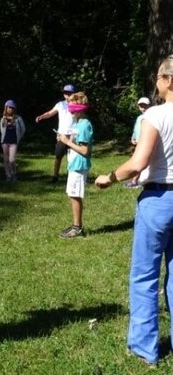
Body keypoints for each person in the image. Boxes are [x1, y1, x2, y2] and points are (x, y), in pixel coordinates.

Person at [94, 55, 173, 367]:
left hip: (157, 201)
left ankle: (144, 347)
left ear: (169, 80)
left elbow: (137, 163)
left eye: (158, 76)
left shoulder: (155, 115)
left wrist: (109, 177)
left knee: (144, 276)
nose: (155, 82)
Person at [58, 92, 93, 238]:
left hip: (79, 165)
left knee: (75, 195)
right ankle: (75, 225)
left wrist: (67, 142)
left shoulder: (85, 125)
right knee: (72, 194)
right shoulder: (79, 124)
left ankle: (77, 227)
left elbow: (85, 150)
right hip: (74, 164)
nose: (70, 111)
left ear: (79, 109)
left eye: (72, 109)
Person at [35, 84, 76, 182]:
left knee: (73, 157)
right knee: (58, 155)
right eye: (66, 92)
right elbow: (50, 113)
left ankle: (72, 176)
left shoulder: (76, 104)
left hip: (73, 135)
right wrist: (41, 116)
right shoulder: (60, 104)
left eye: (70, 93)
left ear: (73, 94)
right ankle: (55, 176)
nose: (67, 95)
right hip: (62, 135)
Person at [124, 96, 152, 188]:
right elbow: (136, 129)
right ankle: (136, 179)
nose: (143, 108)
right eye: (141, 106)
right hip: (137, 142)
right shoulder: (139, 118)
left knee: (140, 161)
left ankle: (135, 181)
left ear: (149, 106)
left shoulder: (151, 118)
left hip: (145, 143)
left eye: (145, 106)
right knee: (136, 160)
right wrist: (133, 137)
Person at [0, 99, 26, 182]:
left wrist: (19, 137)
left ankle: (14, 174)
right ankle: (8, 175)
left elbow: (23, 129)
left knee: (12, 159)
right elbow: (1, 129)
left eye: (12, 108)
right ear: (6, 108)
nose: (10, 109)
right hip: (5, 141)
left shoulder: (18, 118)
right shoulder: (3, 118)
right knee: (6, 159)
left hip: (14, 141)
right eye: (9, 107)